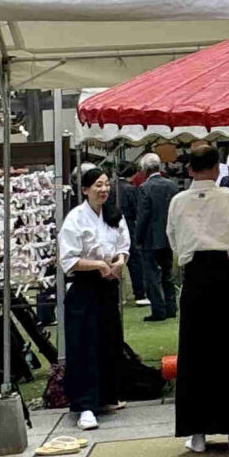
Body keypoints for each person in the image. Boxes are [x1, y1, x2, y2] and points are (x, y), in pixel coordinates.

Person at [169, 143, 229, 454]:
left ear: (189, 169)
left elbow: (173, 239)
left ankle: (196, 433)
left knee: (195, 355)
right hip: (225, 277)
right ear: (217, 168)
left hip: (195, 280)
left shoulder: (177, 202)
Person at [57, 165, 129, 429]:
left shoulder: (113, 215)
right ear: (85, 190)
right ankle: (85, 405)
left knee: (109, 340)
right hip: (85, 287)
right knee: (84, 345)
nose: (104, 189)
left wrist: (120, 261)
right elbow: (69, 259)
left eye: (106, 184)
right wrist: (98, 265)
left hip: (108, 285)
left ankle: (107, 396)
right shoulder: (75, 218)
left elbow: (123, 246)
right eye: (98, 185)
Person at [133, 150, 184, 322]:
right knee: (167, 274)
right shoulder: (171, 185)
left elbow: (142, 216)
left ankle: (158, 310)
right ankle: (171, 307)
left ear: (144, 170)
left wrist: (138, 238)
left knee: (151, 276)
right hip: (168, 237)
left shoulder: (145, 188)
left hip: (150, 238)